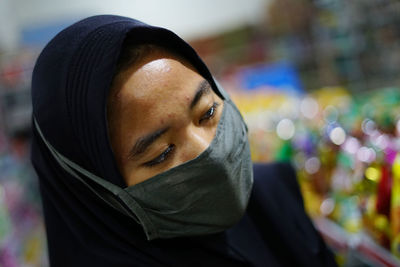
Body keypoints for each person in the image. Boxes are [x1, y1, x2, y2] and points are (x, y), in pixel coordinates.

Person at [30, 15, 337, 266]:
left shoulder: (271, 194)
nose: (211, 154)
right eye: (161, 154)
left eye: (207, 112)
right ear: (97, 190)